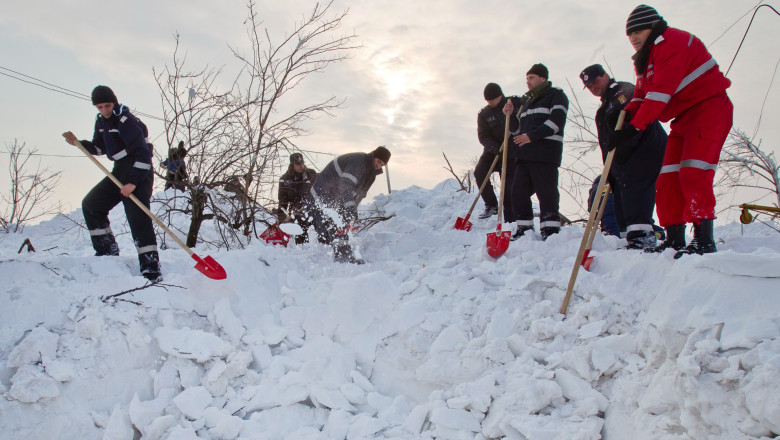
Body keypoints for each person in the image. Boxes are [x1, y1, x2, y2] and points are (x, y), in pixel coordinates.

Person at [610, 5, 733, 258]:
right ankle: (675, 237)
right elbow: (643, 95)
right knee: (667, 178)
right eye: (629, 34)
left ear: (653, 27)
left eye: (638, 31)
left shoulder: (673, 42)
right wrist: (626, 113)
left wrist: (634, 128)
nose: (633, 38)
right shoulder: (645, 57)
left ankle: (703, 240)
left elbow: (659, 94)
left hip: (709, 109)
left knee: (693, 172)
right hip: (683, 117)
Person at [62, 85, 161, 281]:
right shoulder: (101, 122)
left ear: (114, 103)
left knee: (137, 215)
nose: (104, 111)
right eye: (99, 107)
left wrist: (133, 182)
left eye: (107, 106)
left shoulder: (126, 120)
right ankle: (107, 253)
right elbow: (100, 148)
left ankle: (151, 268)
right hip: (120, 170)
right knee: (92, 205)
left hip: (138, 170)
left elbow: (143, 153)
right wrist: (79, 143)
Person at [580, 63, 667, 249]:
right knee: (623, 200)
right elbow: (608, 144)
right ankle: (630, 239)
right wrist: (610, 169)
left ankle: (642, 238)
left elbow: (635, 118)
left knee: (637, 194)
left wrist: (625, 144)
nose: (593, 87)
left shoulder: (622, 91)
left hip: (642, 153)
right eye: (589, 86)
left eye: (595, 81)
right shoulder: (603, 109)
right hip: (622, 161)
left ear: (605, 75)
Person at [503, 63, 568, 240]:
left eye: (531, 78)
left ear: (543, 78)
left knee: (546, 193)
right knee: (517, 192)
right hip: (524, 156)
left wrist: (531, 136)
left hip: (545, 154)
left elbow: (555, 123)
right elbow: (517, 131)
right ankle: (524, 230)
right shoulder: (526, 102)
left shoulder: (556, 96)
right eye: (526, 79)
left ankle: (550, 231)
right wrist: (509, 116)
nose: (528, 82)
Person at [304, 146, 390, 264]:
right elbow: (345, 185)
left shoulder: (371, 174)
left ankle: (339, 258)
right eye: (379, 161)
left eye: (382, 164)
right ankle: (336, 259)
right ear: (374, 155)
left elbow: (359, 195)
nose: (379, 166)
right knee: (328, 231)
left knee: (339, 225)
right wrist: (349, 207)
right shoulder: (358, 162)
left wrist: (352, 211)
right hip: (320, 198)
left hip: (336, 201)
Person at [476, 83, 522, 220]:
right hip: (492, 150)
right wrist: (494, 148)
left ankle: (511, 215)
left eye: (492, 99)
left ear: (500, 95)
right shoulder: (484, 114)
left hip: (511, 151)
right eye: (487, 100)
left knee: (507, 184)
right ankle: (491, 205)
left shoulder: (511, 104)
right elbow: (482, 136)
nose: (490, 102)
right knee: (479, 172)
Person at [277, 152, 318, 244]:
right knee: (300, 229)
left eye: (302, 163)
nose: (301, 166)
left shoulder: (311, 175)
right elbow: (283, 201)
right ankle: (302, 250)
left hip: (313, 207)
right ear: (292, 165)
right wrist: (281, 217)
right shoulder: (285, 180)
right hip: (297, 211)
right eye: (298, 164)